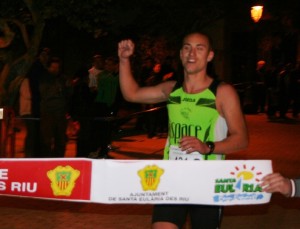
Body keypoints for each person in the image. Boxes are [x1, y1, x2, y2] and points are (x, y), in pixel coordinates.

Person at [118, 31, 248, 229]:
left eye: (199, 48)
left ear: (210, 56)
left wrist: (207, 147)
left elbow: (241, 139)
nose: (192, 53)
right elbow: (132, 94)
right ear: (180, 54)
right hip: (172, 178)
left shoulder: (223, 92)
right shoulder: (172, 89)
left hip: (207, 182)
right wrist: (124, 60)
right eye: (187, 47)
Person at [39, 57, 70, 157]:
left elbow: (67, 93)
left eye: (57, 67)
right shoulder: (44, 78)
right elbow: (44, 94)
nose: (55, 69)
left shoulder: (62, 78)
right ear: (48, 67)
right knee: (46, 139)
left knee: (60, 139)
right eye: (53, 67)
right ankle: (46, 159)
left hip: (60, 113)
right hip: (48, 112)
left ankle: (59, 158)